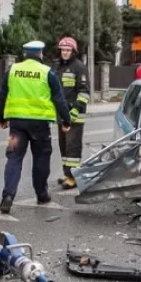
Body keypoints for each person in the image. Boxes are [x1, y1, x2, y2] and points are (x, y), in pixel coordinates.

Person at [0, 40, 72, 214]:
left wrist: (2, 118)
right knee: (41, 158)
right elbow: (59, 99)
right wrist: (66, 121)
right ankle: (42, 194)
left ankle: (7, 196)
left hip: (16, 125)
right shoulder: (48, 73)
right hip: (40, 125)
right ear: (40, 54)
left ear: (25, 55)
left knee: (13, 158)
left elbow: (2, 96)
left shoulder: (12, 71)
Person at [52, 36, 90, 189]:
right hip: (61, 115)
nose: (65, 53)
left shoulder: (79, 67)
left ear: (73, 51)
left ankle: (73, 177)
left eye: (68, 50)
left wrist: (74, 112)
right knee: (63, 146)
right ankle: (67, 173)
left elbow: (85, 93)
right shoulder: (58, 67)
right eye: (63, 50)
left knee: (73, 146)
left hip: (75, 115)